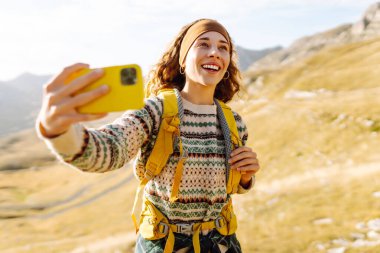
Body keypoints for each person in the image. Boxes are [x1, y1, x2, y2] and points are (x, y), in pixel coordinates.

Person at [36, 18, 260, 253]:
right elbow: (110, 150)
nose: (214, 52)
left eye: (223, 47)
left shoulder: (234, 123)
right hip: (165, 246)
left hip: (223, 245)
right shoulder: (156, 111)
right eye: (203, 44)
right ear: (183, 60)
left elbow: (228, 188)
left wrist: (245, 178)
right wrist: (59, 131)